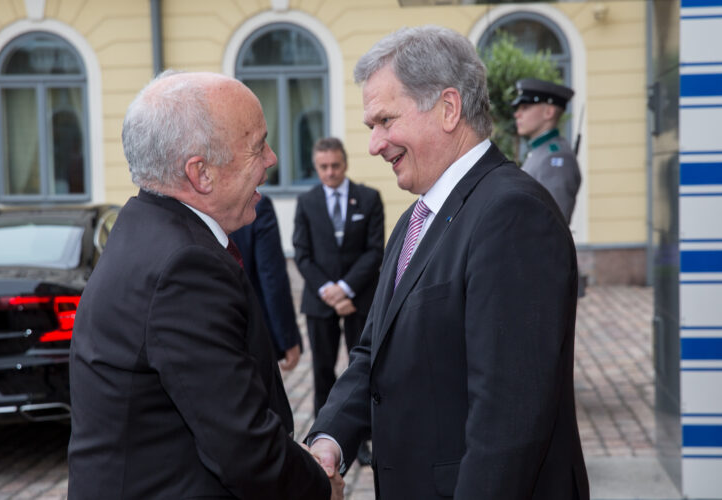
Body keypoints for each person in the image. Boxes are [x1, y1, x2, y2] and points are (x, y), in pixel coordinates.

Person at [307, 26, 589, 499]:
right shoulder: (417, 216)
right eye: (370, 127)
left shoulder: (514, 214)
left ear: (448, 109)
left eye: (385, 121)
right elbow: (372, 351)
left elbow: (508, 423)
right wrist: (330, 440)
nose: (375, 145)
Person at [68, 70, 341, 499]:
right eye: (257, 146)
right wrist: (319, 486)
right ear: (202, 174)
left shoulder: (145, 226)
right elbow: (243, 447)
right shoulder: (184, 266)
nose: (271, 159)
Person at [293, 137, 384, 465]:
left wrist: (345, 289)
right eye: (323, 167)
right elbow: (301, 254)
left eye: (335, 165)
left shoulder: (369, 198)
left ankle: (360, 439)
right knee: (322, 370)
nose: (330, 172)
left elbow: (375, 250)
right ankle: (324, 437)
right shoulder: (306, 202)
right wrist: (330, 293)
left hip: (360, 298)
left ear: (344, 164)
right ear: (316, 167)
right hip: (320, 301)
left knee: (361, 369)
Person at [230, 194, 302, 371]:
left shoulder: (189, 204)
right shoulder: (256, 204)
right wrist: (287, 339)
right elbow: (272, 278)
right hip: (251, 331)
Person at [512, 78, 581, 224]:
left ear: (549, 112)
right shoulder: (539, 152)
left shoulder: (556, 157)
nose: (517, 114)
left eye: (525, 107)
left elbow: (553, 222)